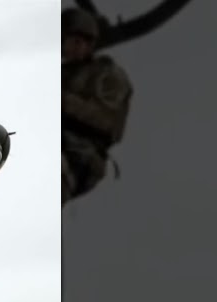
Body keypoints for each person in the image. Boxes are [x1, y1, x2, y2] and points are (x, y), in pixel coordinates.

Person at [61, 7, 133, 205]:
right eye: (72, 41)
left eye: (83, 42)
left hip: (80, 155)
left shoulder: (106, 75)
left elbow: (106, 120)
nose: (77, 47)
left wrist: (61, 101)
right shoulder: (57, 74)